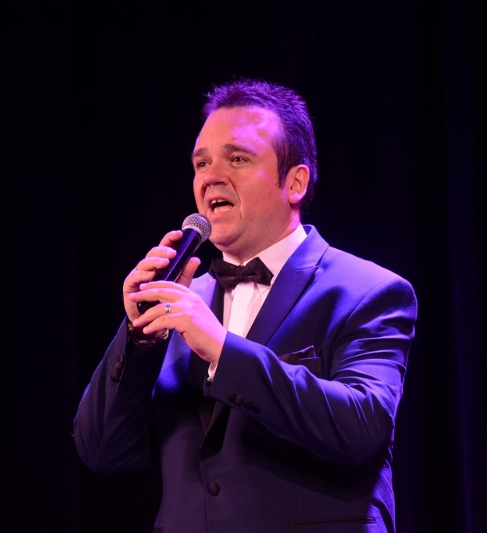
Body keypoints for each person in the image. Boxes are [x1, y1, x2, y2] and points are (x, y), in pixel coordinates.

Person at [73, 78, 418, 533]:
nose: (210, 177)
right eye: (201, 163)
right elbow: (101, 450)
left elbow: (361, 428)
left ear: (294, 182)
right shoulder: (178, 303)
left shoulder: (367, 291)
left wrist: (222, 348)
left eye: (237, 158)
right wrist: (138, 338)